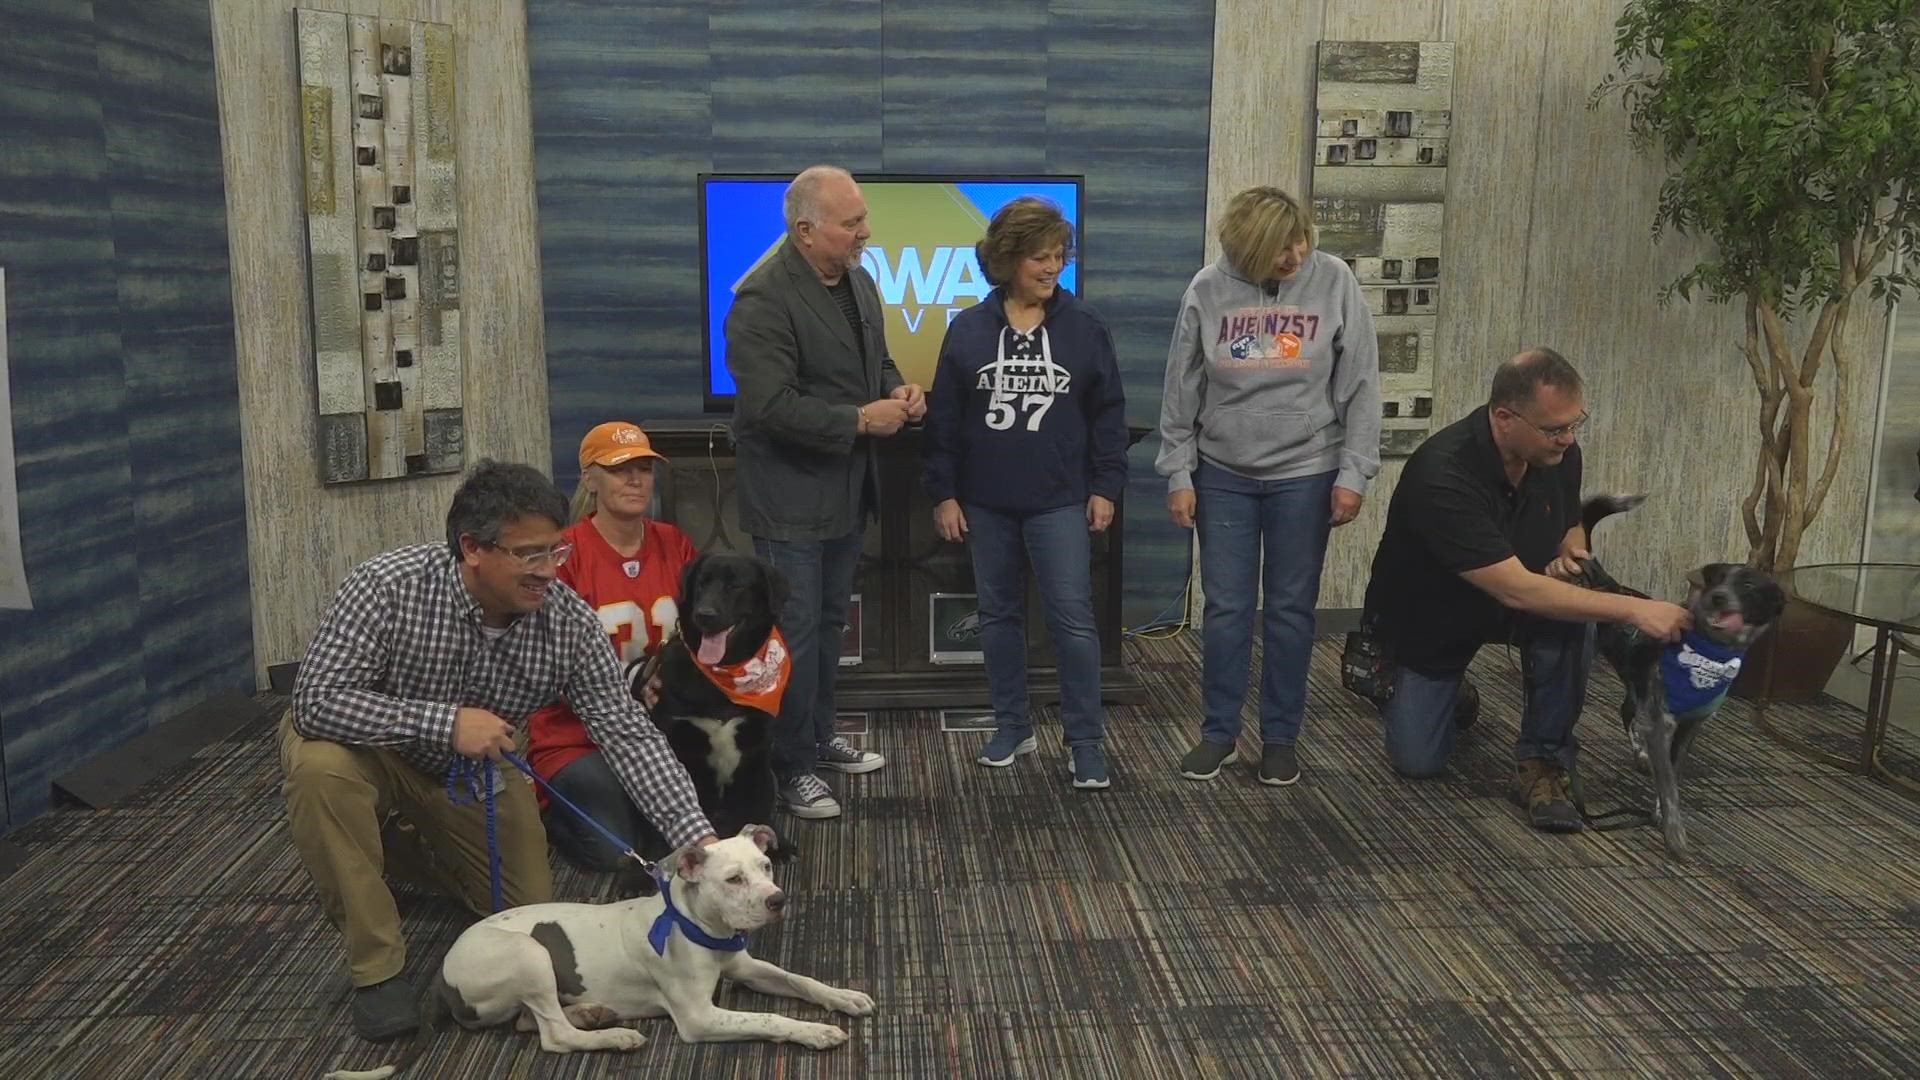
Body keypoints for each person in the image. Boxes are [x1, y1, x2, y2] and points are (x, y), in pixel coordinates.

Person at [280, 460, 716, 1042]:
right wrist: (443, 721)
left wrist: (698, 840)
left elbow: (628, 733)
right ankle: (376, 969)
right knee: (320, 770)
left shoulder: (568, 623)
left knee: (524, 914)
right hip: (371, 752)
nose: (548, 572)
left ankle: (379, 851)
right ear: (472, 548)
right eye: (529, 555)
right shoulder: (387, 584)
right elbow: (315, 701)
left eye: (556, 553)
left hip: (474, 771)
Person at [1358, 349, 1691, 831]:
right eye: (1555, 428)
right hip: (1434, 617)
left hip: (1522, 596)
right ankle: (1454, 694)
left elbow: (1570, 522)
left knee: (1572, 620)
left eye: (1575, 424)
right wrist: (1635, 610)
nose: (1569, 439)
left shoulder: (1556, 453)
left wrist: (1570, 554)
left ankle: (1544, 764)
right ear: (1504, 418)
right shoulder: (1442, 474)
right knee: (1418, 762)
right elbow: (1516, 590)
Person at [1155, 186, 1381, 787]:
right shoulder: (1207, 289)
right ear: (1248, 249)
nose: (1296, 254)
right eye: (1280, 247)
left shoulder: (1333, 281)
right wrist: (1179, 472)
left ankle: (1281, 737)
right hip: (1223, 472)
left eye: (1300, 239)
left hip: (1306, 471)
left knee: (1289, 611)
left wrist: (1354, 472)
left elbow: (1360, 383)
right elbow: (1182, 389)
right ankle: (1219, 734)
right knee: (1226, 608)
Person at [726, 164, 925, 820]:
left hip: (847, 489)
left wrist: (899, 388)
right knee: (796, 634)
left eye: (862, 217)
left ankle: (814, 738)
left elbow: (879, 361)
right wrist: (860, 421)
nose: (865, 231)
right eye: (851, 223)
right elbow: (767, 406)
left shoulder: (861, 282)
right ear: (806, 231)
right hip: (789, 498)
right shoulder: (761, 297)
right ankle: (789, 768)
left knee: (830, 624)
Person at [922, 197, 1130, 790]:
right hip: (985, 503)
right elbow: (944, 422)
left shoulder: (1085, 328)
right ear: (1009, 259)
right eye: (1040, 257)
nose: (1051, 267)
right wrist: (944, 494)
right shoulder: (966, 329)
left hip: (1061, 500)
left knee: (1073, 621)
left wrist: (1105, 486)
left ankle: (1086, 740)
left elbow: (1109, 415)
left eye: (1060, 257)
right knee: (997, 618)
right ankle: (1013, 725)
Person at [523, 422, 699, 871]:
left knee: (685, 835)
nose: (636, 480)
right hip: (576, 734)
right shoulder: (564, 555)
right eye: (620, 469)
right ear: (589, 479)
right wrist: (630, 685)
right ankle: (547, 811)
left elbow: (698, 632)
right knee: (618, 854)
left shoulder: (673, 542)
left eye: (644, 468)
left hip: (661, 726)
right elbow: (543, 664)